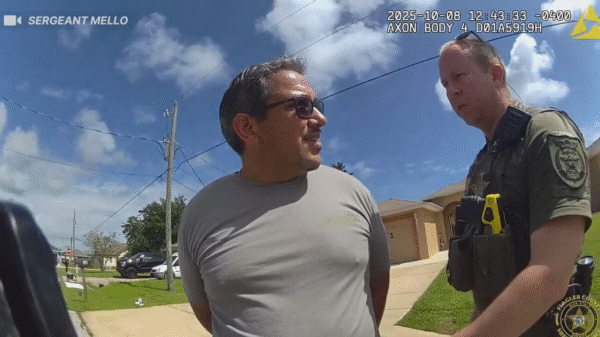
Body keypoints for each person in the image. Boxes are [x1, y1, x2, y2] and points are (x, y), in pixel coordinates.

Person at [178, 56, 390, 337]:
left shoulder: (354, 192)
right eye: (302, 106)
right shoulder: (199, 214)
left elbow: (376, 290)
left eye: (317, 105)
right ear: (248, 127)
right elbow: (209, 314)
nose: (321, 119)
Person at [438, 31, 592, 337]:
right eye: (445, 85)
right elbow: (488, 275)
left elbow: (552, 274)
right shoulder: (481, 164)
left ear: (496, 74)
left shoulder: (545, 133)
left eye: (458, 77)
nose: (451, 92)